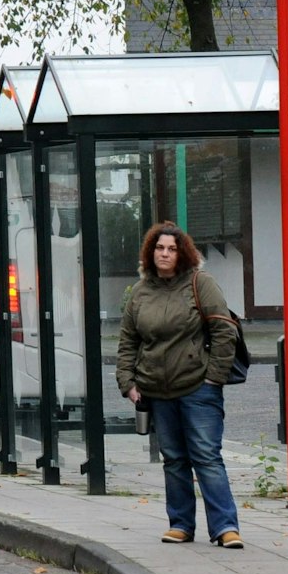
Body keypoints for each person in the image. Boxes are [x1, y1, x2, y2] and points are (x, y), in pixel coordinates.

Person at [116, 221, 243, 549]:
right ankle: (181, 524)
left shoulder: (202, 284)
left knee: (206, 456)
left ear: (182, 252)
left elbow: (224, 332)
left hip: (198, 387)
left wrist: (213, 378)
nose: (165, 254)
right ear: (150, 252)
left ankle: (226, 527)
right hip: (156, 391)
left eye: (172, 249)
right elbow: (128, 340)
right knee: (173, 459)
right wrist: (127, 382)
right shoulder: (141, 292)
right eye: (159, 248)